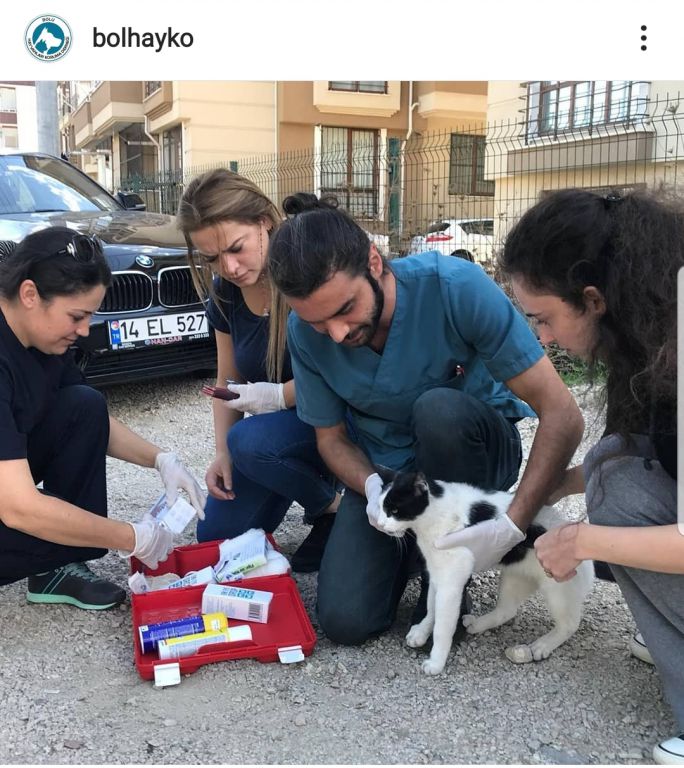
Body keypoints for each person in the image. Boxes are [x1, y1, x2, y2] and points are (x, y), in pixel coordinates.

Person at [267, 192, 584, 646]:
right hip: (390, 475)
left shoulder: (456, 287)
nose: (336, 334)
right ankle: (416, 550)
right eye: (318, 322)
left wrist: (514, 522)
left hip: (472, 457)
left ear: (374, 262)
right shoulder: (306, 333)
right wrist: (372, 488)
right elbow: (331, 440)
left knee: (438, 409)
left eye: (344, 310)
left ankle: (455, 572)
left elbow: (563, 414)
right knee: (346, 621)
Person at [499, 188, 682, 765]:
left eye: (544, 318)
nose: (541, 338)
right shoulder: (648, 331)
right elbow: (641, 449)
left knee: (614, 507)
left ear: (593, 298)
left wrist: (581, 540)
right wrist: (555, 486)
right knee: (609, 466)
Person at [0, 227, 206, 610]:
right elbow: (16, 506)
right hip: (8, 500)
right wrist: (131, 537)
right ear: (29, 295)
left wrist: (162, 459)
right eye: (77, 316)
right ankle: (57, 554)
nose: (83, 330)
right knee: (46, 522)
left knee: (84, 404)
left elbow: (91, 422)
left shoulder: (41, 337)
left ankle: (56, 567)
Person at [176, 169, 340, 571]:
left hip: (337, 421)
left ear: (263, 222)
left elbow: (341, 373)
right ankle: (319, 497)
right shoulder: (226, 294)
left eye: (236, 248)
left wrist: (272, 399)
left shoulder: (308, 269)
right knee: (215, 537)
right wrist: (221, 452)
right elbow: (226, 383)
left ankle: (333, 507)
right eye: (212, 258)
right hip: (278, 438)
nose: (229, 267)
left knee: (249, 441)